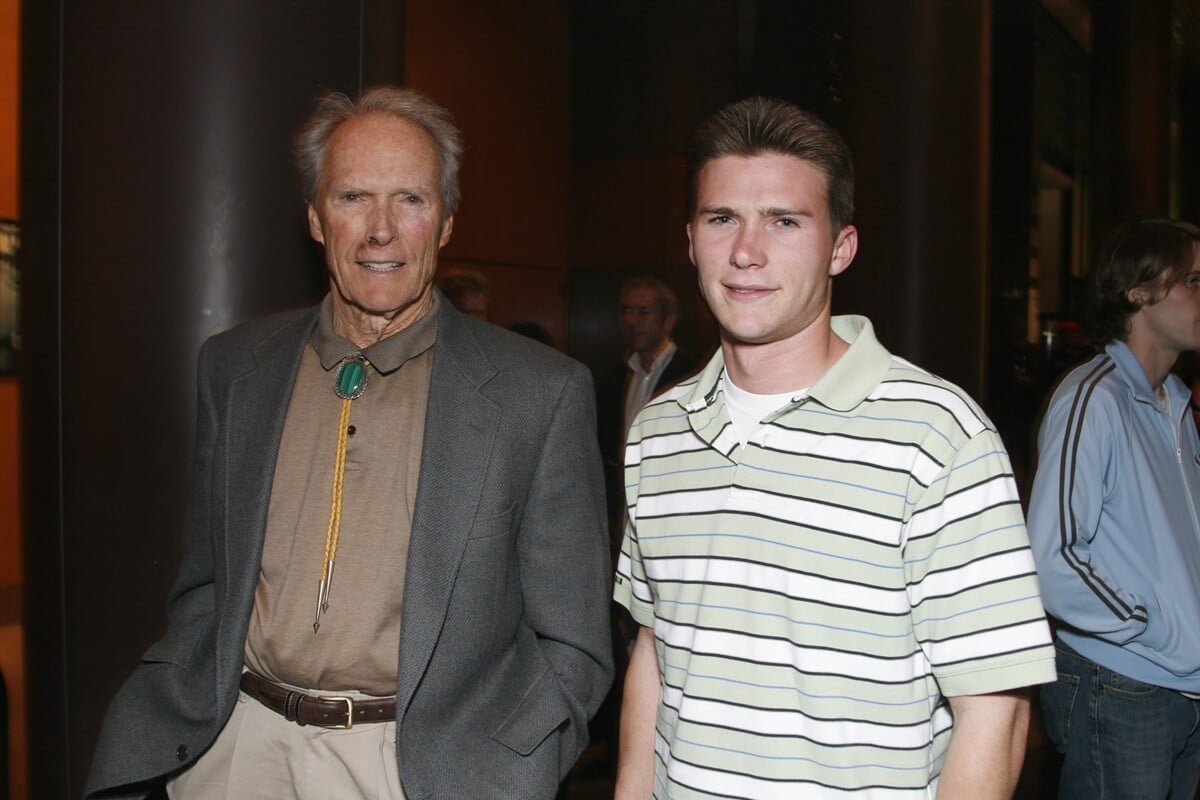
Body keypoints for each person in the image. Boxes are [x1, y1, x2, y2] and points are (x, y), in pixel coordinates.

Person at [84, 86, 612, 799]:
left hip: (420, 769)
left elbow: (574, 640)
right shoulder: (237, 368)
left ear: (448, 221)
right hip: (235, 748)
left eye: (411, 201)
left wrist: (511, 765)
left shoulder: (536, 393)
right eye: (353, 197)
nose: (381, 231)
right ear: (313, 216)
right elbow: (207, 581)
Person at [613, 97, 1056, 799]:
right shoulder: (658, 432)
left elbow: (994, 710)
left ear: (840, 248)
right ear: (691, 238)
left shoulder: (939, 435)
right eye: (721, 218)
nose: (746, 251)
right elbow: (655, 653)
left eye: (785, 221)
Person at [1027, 219, 1200, 800]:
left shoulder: (1174, 404)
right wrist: (1151, 626)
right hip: (1122, 681)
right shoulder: (1092, 396)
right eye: (1194, 281)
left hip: (1177, 681)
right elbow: (1053, 558)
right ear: (1139, 291)